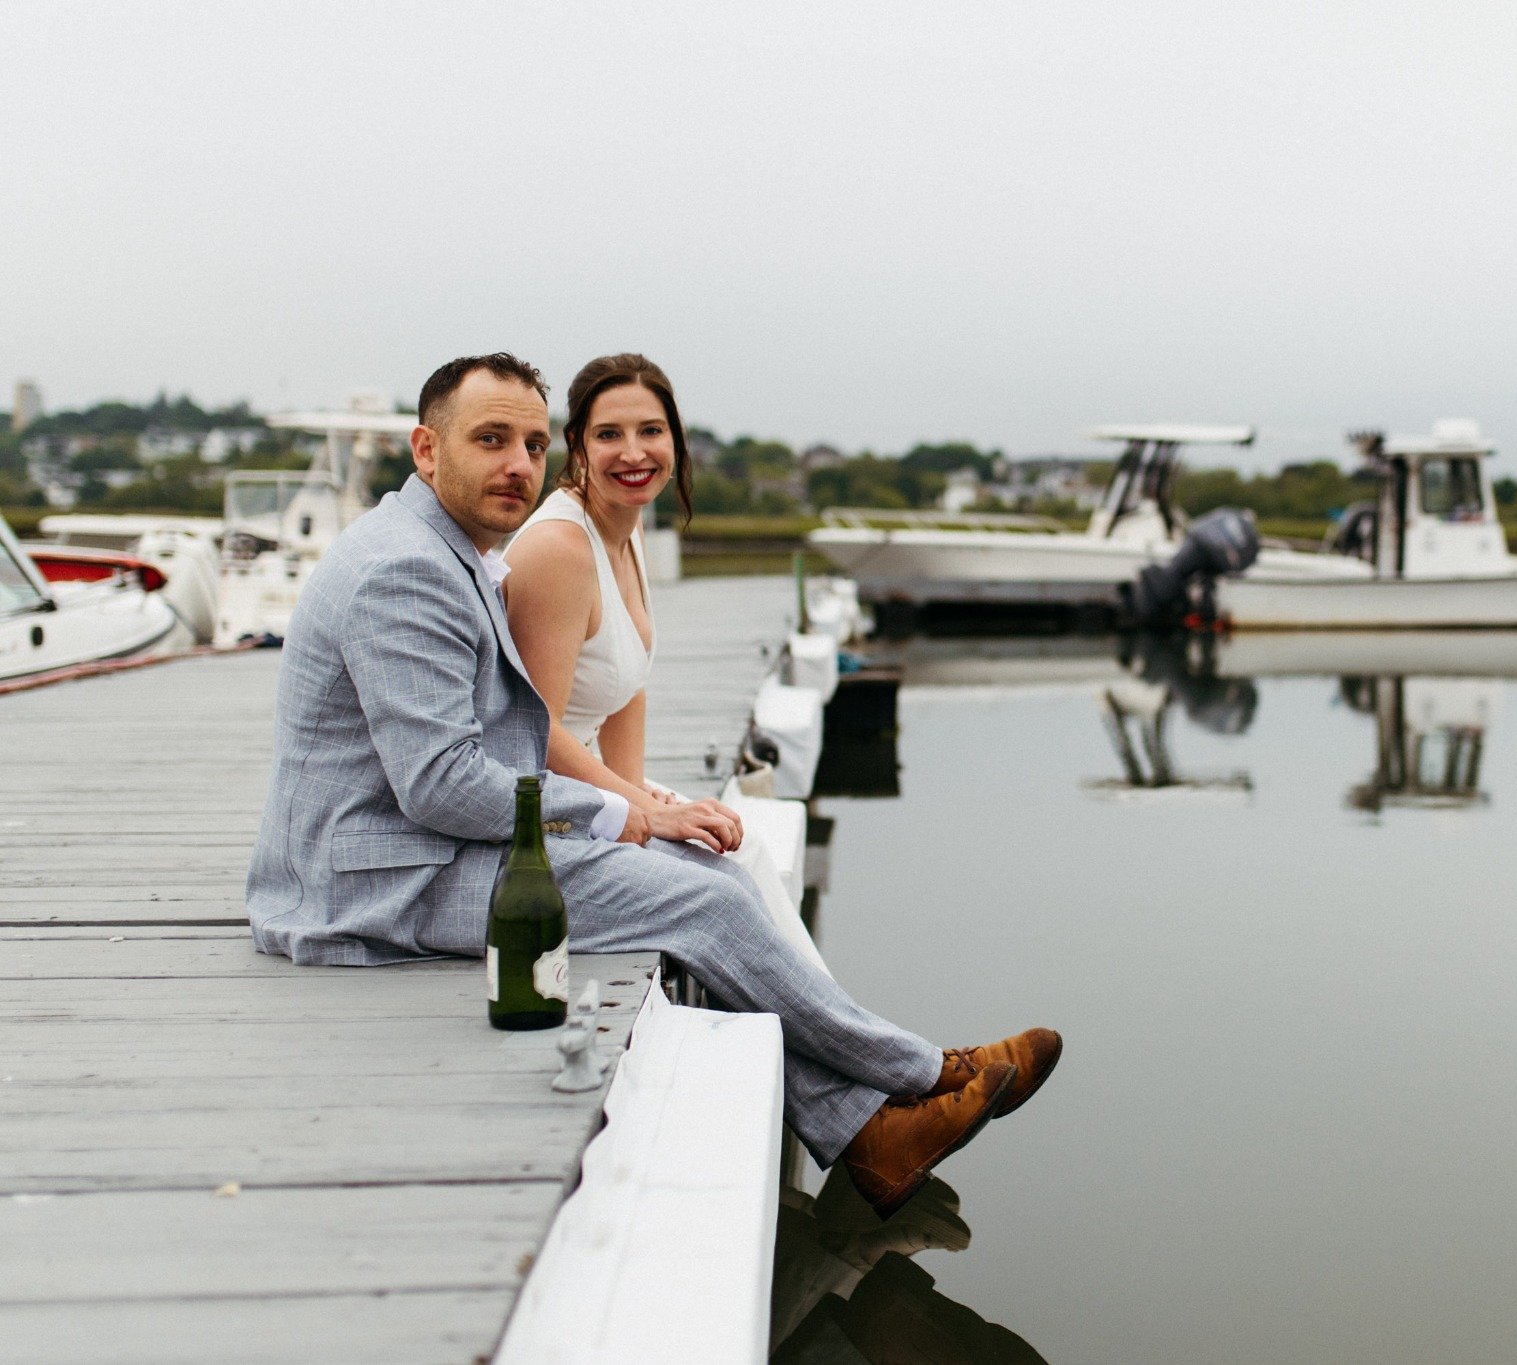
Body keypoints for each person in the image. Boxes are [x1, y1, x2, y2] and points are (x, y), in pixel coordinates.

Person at [244, 353, 1060, 1216]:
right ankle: (925, 1073)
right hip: (374, 883)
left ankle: (874, 1135)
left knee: (706, 878)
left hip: (426, 845)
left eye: (528, 441)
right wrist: (617, 815)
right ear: (424, 448)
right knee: (704, 905)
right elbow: (441, 785)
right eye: (489, 440)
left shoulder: (444, 547)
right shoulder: (404, 570)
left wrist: (636, 811)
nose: (517, 465)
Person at [500, 353, 814, 966]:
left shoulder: (629, 528)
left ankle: (825, 1022)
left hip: (591, 781)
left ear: (675, 440)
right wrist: (638, 814)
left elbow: (627, 680)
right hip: (545, 807)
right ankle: (848, 1041)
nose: (634, 452)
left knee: (741, 848)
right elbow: (533, 731)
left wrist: (640, 791)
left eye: (651, 431)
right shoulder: (560, 550)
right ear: (577, 446)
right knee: (721, 881)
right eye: (608, 434)